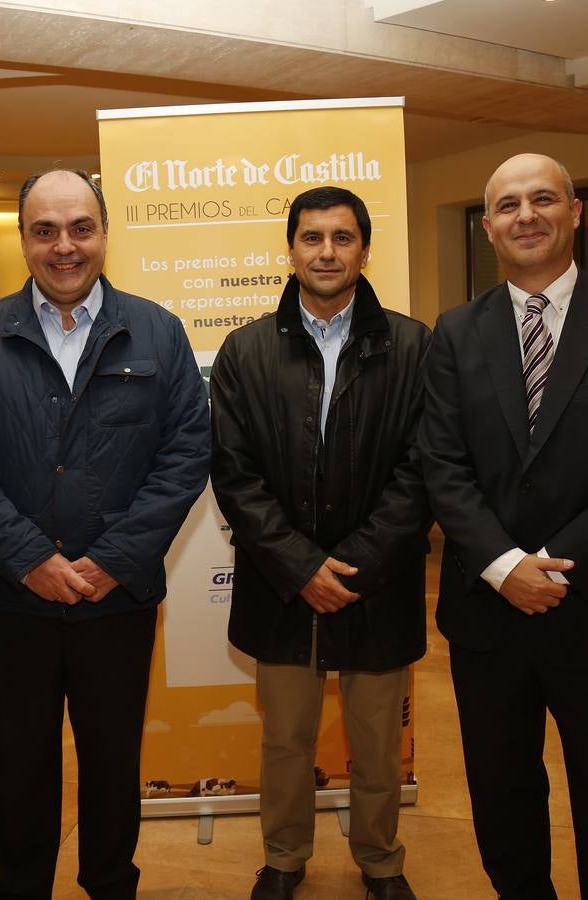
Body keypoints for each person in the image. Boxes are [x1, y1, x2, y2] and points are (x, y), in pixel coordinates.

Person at [0, 169, 210, 900]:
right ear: (22, 239)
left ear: (104, 233)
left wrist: (112, 561)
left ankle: (110, 885)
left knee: (113, 763)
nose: (64, 246)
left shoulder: (158, 330)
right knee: (18, 765)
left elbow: (185, 454)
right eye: (44, 230)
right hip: (10, 603)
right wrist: (28, 560)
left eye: (80, 227)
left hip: (114, 601)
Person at [422, 153, 588, 899]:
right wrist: (504, 565)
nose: (526, 215)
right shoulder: (452, 333)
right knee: (502, 802)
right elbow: (440, 464)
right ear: (487, 228)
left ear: (576, 212)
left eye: (542, 199)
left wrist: (554, 561)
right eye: (507, 205)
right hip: (488, 616)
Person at [210, 186, 433, 900]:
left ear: (365, 250)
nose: (327, 252)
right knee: (284, 743)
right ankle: (283, 858)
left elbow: (422, 469)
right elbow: (232, 471)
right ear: (291, 249)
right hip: (282, 586)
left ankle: (380, 861)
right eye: (312, 238)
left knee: (375, 746)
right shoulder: (245, 350)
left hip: (379, 583)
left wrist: (354, 565)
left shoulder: (413, 344)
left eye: (342, 238)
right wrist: (301, 566)